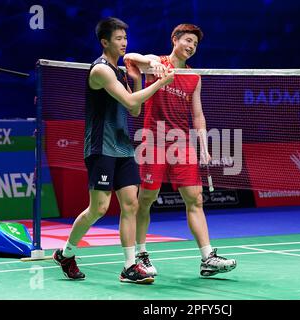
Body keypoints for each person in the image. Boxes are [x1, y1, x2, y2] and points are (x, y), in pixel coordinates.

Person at [53, 17, 174, 284]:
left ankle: (129, 267)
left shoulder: (119, 72)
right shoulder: (101, 71)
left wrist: (138, 78)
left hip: (122, 147)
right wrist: (159, 84)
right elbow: (131, 100)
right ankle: (66, 253)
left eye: (125, 38)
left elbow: (134, 109)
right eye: (118, 39)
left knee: (130, 204)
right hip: (100, 148)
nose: (123, 43)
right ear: (104, 41)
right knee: (98, 208)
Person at [124, 24, 237, 278]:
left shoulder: (194, 77)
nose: (191, 46)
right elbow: (129, 58)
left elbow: (197, 114)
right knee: (146, 201)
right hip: (153, 142)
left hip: (182, 143)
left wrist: (204, 146)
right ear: (174, 39)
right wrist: (150, 64)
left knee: (195, 199)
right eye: (187, 40)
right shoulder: (157, 63)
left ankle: (208, 257)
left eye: (195, 44)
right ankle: (141, 254)